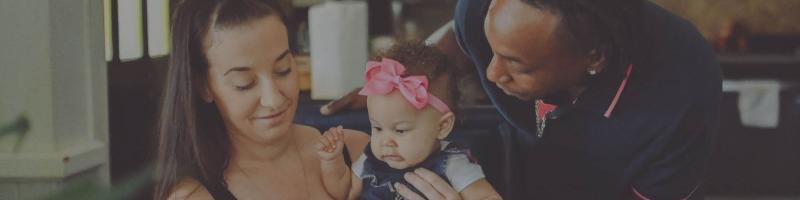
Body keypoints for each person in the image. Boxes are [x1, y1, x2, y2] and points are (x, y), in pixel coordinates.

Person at [321, 0, 722, 199]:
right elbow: (458, 46)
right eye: (491, 48)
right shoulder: (483, 11)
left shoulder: (679, 99)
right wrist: (403, 86)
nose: (492, 75)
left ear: (594, 58)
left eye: (517, 63)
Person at [152, 0, 369, 199]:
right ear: (204, 87)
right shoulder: (196, 196)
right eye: (244, 83)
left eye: (283, 70)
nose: (273, 99)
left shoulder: (357, 151)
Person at [314, 41, 502, 200]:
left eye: (401, 130)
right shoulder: (368, 160)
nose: (385, 141)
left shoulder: (454, 164)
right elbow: (343, 192)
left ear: (442, 126)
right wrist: (332, 162)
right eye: (377, 128)